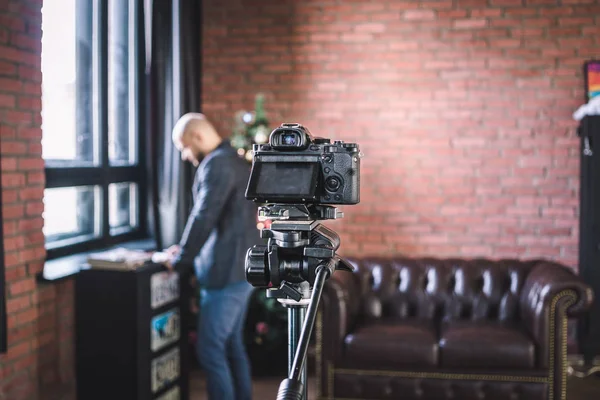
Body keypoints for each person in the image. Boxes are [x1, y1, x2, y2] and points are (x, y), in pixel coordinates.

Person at [165, 112, 258, 400]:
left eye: (183, 147)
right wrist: (182, 249)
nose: (184, 155)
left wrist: (181, 260)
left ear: (197, 137)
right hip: (243, 269)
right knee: (232, 347)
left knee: (210, 349)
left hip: (225, 273)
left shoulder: (216, 165)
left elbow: (203, 218)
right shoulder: (238, 162)